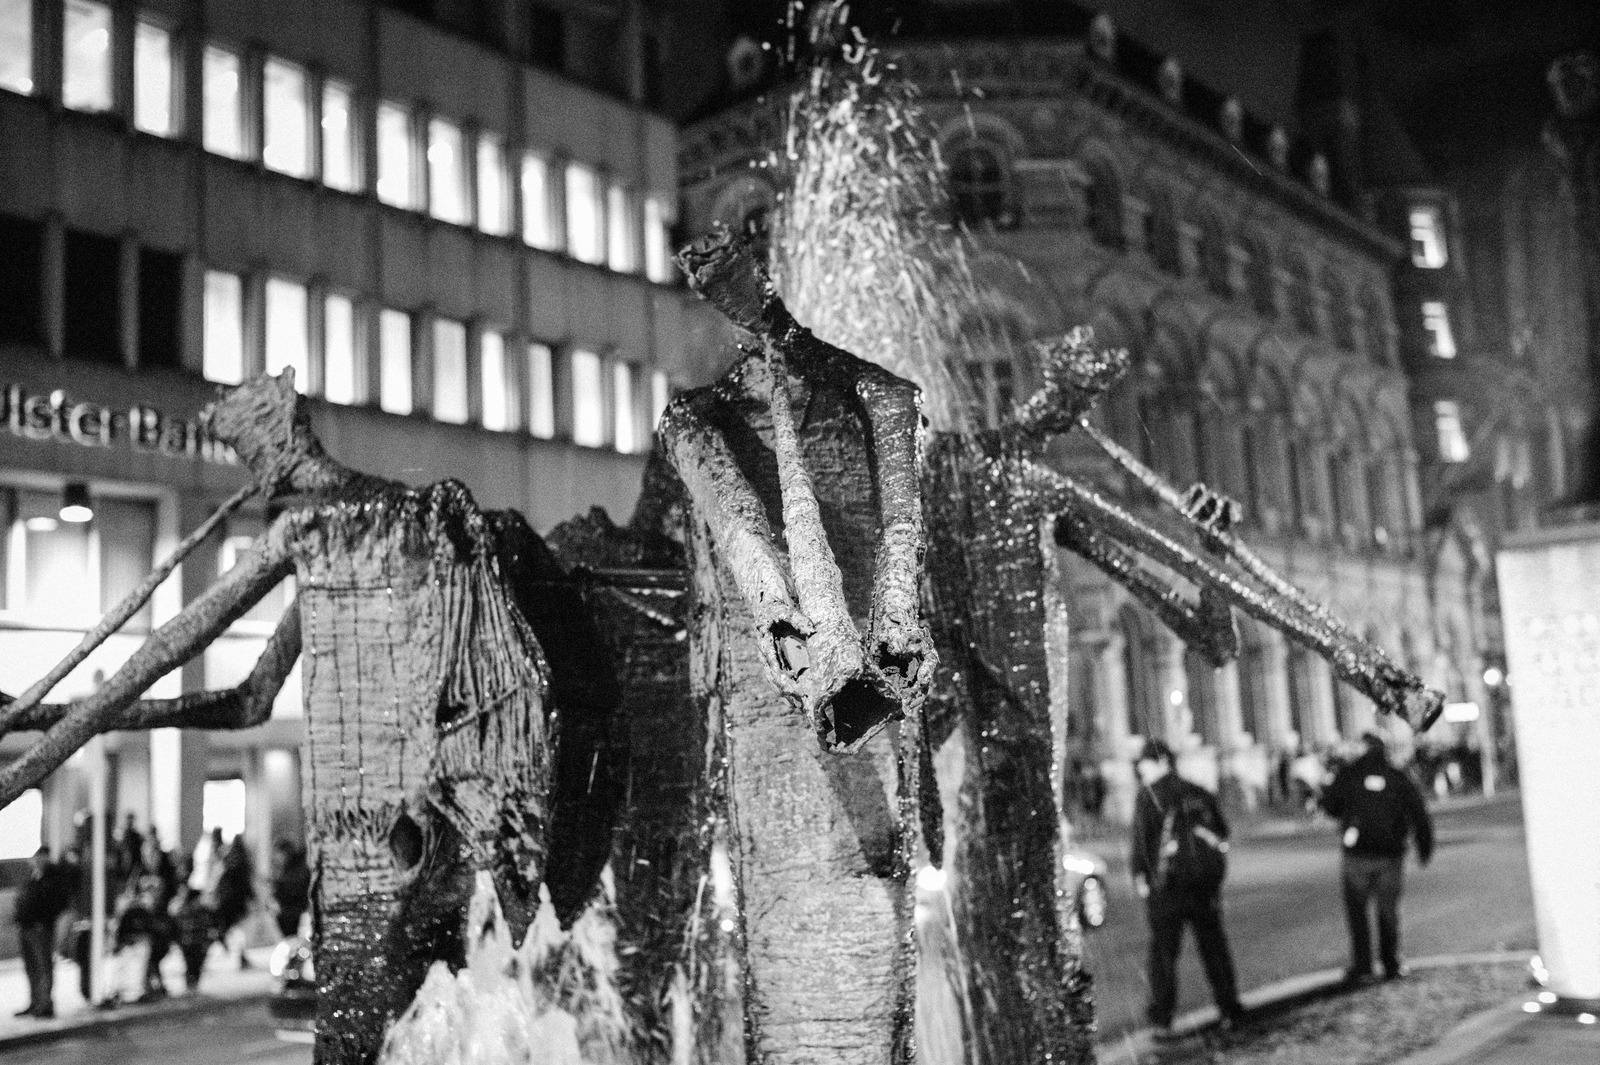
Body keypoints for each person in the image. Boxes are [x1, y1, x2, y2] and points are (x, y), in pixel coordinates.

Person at [1129, 740, 1245, 1039]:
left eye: (1145, 763)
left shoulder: (1149, 796)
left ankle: (1162, 1018)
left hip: (1168, 886)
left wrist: (1141, 877)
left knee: (1164, 954)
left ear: (1161, 762)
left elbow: (1141, 841)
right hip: (1203, 884)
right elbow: (1222, 830)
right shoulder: (1198, 791)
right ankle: (1229, 1007)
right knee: (1213, 947)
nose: (1141, 768)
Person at [1319, 730, 1434, 983]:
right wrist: (1424, 847)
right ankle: (1390, 962)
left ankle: (1363, 965)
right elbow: (1418, 812)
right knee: (1388, 911)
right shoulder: (1397, 776)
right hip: (1390, 854)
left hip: (1357, 853)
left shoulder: (1349, 774)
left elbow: (1330, 805)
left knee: (1358, 913)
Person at [13, 848, 71, 1019]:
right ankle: (35, 1002)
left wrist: (44, 920)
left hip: (40, 928)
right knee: (31, 967)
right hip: (26, 926)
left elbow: (57, 902)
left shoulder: (53, 876)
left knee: (42, 966)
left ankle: (45, 1004)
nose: (34, 860)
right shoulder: (34, 876)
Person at [270, 840, 311, 940]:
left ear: (285, 853)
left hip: (293, 920)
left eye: (277, 854)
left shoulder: (294, 875)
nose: (275, 858)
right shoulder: (292, 871)